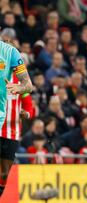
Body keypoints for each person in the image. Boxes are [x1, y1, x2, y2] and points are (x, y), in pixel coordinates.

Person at [0, 33, 33, 196]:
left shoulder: (21, 81)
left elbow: (29, 106)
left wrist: (25, 113)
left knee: (4, 172)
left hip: (12, 131)